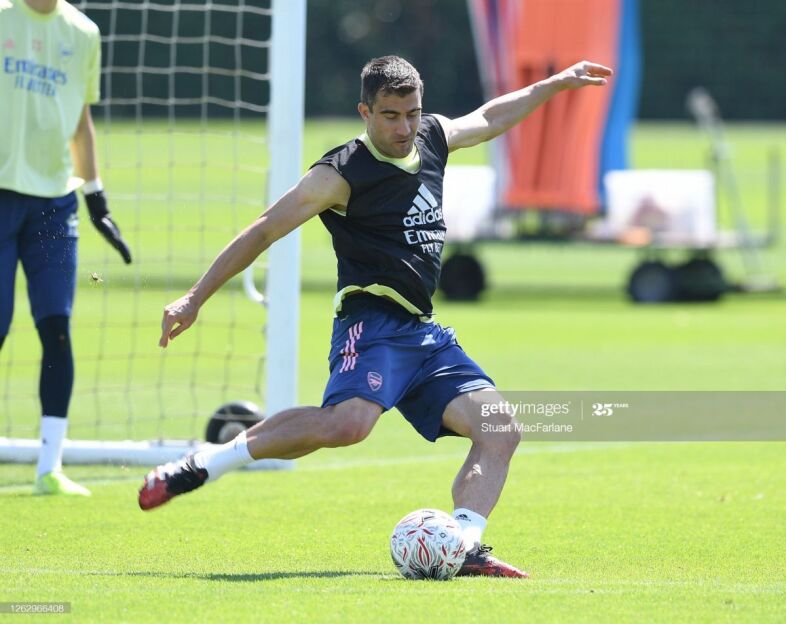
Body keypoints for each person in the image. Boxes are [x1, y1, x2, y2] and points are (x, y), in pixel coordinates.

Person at [139, 56, 611, 577]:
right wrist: (194, 298)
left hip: (423, 331)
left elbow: (489, 117)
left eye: (412, 113)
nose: (404, 128)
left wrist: (555, 83)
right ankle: (204, 463)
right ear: (365, 112)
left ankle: (463, 545)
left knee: (500, 430)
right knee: (348, 425)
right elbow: (264, 229)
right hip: (372, 323)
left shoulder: (431, 137)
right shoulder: (340, 174)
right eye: (390, 116)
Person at [0, 0, 132, 496]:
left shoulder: (83, 32)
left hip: (55, 206)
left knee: (57, 328)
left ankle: (49, 468)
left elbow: (80, 119)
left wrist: (96, 199)